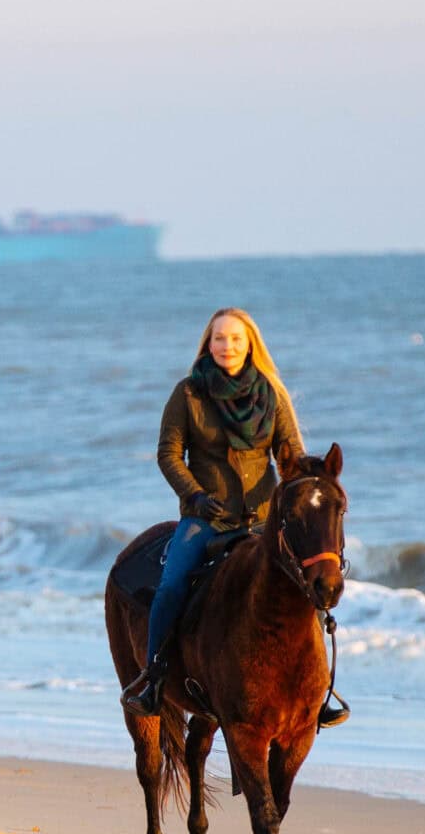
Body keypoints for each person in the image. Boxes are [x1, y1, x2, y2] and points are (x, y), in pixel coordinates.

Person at [121, 307, 309, 717]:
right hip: (206, 518)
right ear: (208, 342)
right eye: (220, 338)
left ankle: (317, 690)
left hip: (262, 520)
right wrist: (196, 495)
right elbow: (168, 455)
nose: (228, 346)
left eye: (236, 339)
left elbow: (291, 456)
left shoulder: (273, 395)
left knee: (308, 584)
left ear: (250, 345)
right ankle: (153, 679)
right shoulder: (187, 394)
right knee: (171, 585)